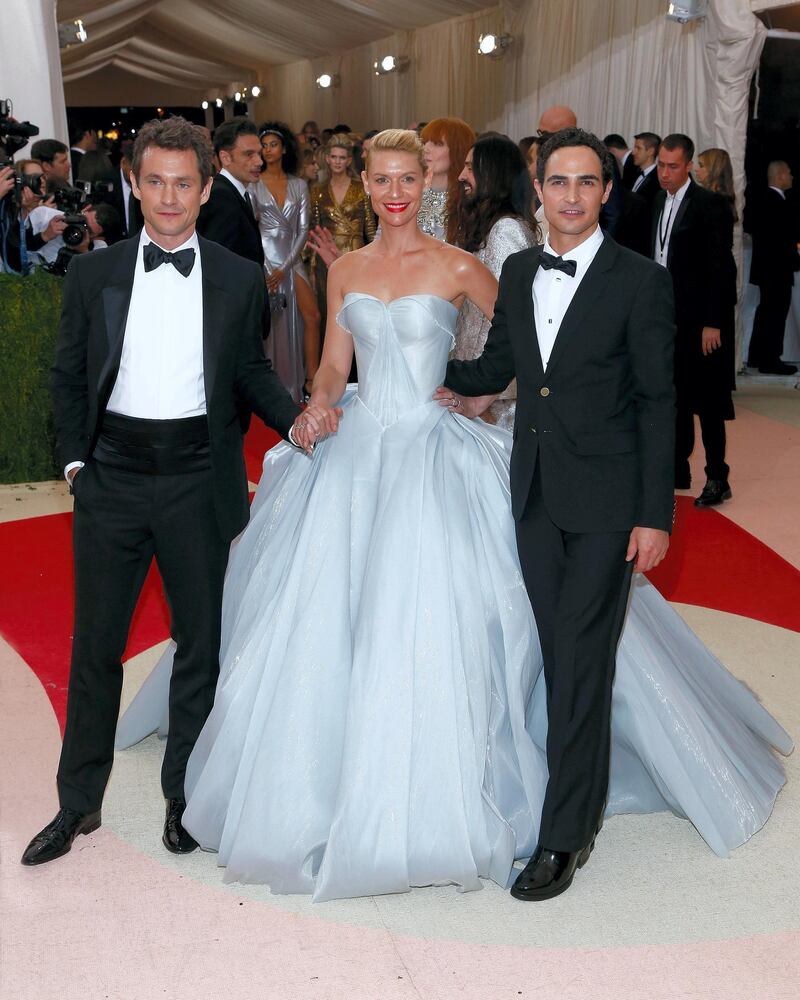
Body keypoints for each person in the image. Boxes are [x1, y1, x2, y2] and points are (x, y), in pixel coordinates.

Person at [115, 128, 790, 903]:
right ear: (365, 184)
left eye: (409, 177)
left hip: (443, 459)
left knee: (477, 627)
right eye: (383, 178)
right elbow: (337, 364)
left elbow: (535, 347)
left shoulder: (467, 266)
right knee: (327, 624)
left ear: (426, 187)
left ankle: (541, 807)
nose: (396, 190)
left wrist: (478, 391)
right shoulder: (348, 272)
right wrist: (321, 407)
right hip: (359, 454)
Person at [20, 116, 310, 868]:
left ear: (206, 188)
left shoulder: (241, 277)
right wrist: (77, 467)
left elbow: (248, 372)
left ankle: (185, 800)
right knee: (95, 651)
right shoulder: (96, 273)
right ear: (136, 184)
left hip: (196, 479)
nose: (169, 197)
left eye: (185, 183)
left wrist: (298, 420)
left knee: (199, 649)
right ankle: (77, 805)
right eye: (155, 182)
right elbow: (68, 376)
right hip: (111, 476)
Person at [652, 134, 735, 505]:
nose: (664, 173)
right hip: (665, 319)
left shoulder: (710, 205)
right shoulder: (654, 200)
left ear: (689, 166)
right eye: (660, 165)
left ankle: (718, 476)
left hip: (701, 322)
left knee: (709, 403)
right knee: (675, 397)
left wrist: (713, 321)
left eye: (672, 166)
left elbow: (721, 266)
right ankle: (677, 466)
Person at [454, 133, 538, 428]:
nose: (462, 176)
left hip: (494, 399)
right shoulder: (493, 227)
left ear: (493, 175)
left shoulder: (506, 231)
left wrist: (483, 392)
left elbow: (508, 318)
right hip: (479, 388)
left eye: (470, 168)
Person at [253, 121, 320, 402]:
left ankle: (310, 382)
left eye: (273, 145)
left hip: (291, 262)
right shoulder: (253, 185)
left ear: (284, 149)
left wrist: (285, 267)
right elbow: (252, 228)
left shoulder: (298, 184)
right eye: (264, 146)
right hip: (264, 262)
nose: (268, 150)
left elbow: (303, 230)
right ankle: (271, 388)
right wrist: (268, 267)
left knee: (312, 317)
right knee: (271, 325)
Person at [309, 134, 375, 332]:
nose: (337, 161)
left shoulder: (361, 188)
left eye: (342, 157)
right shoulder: (317, 190)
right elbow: (315, 230)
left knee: (357, 312)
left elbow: (370, 227)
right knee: (329, 312)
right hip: (325, 260)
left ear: (348, 160)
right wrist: (312, 265)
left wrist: (375, 258)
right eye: (334, 157)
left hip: (356, 255)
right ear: (327, 159)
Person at [747, 160, 799, 376]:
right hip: (777, 269)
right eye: (788, 173)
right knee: (775, 314)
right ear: (779, 176)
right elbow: (784, 239)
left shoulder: (762, 200)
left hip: (767, 269)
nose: (792, 177)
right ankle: (770, 359)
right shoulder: (777, 203)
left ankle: (757, 356)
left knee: (766, 312)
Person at [419, 117, 476, 242]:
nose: (426, 149)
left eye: (437, 144)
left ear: (458, 150)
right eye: (424, 142)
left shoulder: (468, 200)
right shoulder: (410, 194)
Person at [630, 132, 661, 209]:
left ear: (651, 151)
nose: (633, 152)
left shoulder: (658, 179)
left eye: (638, 148)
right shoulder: (633, 173)